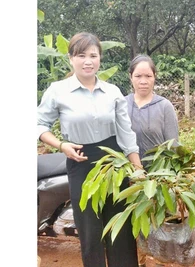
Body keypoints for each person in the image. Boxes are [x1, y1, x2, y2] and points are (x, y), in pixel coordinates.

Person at [37, 32, 141, 267]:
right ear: (71, 58)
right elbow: (38, 125)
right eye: (81, 55)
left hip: (114, 162)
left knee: (120, 228)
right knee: (89, 230)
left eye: (93, 55)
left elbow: (126, 134)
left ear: (100, 59)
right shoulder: (58, 91)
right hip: (80, 161)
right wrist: (61, 145)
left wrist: (137, 168)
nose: (88, 61)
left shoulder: (113, 91)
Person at [125, 54, 179, 267]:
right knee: (135, 222)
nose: (143, 80)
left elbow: (173, 145)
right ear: (130, 77)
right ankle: (139, 260)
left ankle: (159, 261)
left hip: (159, 176)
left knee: (159, 222)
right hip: (130, 176)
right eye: (138, 75)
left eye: (148, 75)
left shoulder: (164, 106)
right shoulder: (122, 104)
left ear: (155, 77)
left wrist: (173, 176)